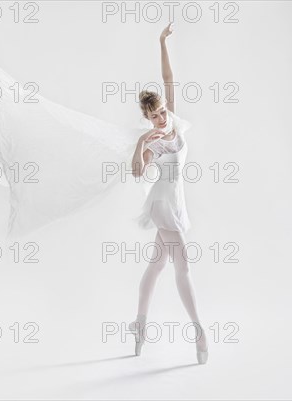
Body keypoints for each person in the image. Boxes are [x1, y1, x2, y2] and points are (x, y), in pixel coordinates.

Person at [129, 22, 209, 364]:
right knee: (183, 264)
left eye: (162, 111)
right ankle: (199, 332)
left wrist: (161, 41)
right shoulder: (152, 141)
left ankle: (139, 324)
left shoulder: (172, 120)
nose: (161, 117)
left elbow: (168, 77)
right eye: (155, 115)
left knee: (157, 264)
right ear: (147, 118)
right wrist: (139, 145)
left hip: (176, 200)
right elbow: (139, 171)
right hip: (162, 203)